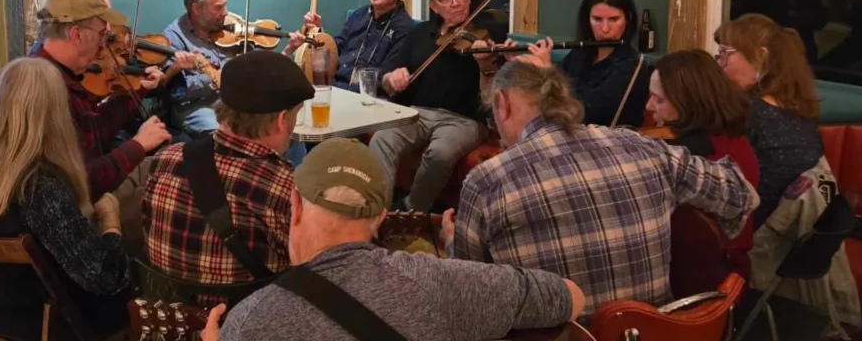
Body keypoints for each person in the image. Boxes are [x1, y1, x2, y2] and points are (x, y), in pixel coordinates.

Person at [446, 58, 758, 317]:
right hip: (649, 334)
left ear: (503, 103)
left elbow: (468, 297)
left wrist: (451, 242)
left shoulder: (486, 180)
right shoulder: (644, 147)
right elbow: (740, 194)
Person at [203, 138, 585, 341]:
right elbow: (570, 295)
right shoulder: (438, 283)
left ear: (296, 205)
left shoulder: (250, 322)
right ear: (380, 217)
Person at [0, 58, 130, 340]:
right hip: (43, 322)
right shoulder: (38, 188)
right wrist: (112, 224)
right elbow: (103, 277)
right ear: (55, 112)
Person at [144, 50, 314, 285]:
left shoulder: (165, 160)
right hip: (244, 318)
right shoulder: (285, 187)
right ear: (281, 119)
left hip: (170, 315)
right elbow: (313, 265)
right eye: (295, 117)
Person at [30, 0, 190, 197]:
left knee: (175, 167)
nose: (103, 45)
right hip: (84, 206)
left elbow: (94, 132)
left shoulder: (66, 77)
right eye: (101, 35)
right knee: (173, 192)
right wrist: (138, 145)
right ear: (77, 35)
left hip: (91, 193)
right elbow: (83, 181)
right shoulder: (45, 88)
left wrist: (137, 89)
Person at [369, 0, 506, 213]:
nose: (456, 3)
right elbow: (385, 76)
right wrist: (393, 77)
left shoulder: (487, 35)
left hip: (463, 121)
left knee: (440, 153)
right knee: (382, 139)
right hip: (418, 113)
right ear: (434, 6)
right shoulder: (420, 33)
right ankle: (379, 213)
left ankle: (410, 213)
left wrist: (485, 65)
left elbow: (493, 98)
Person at [646, 49, 760, 277]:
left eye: (659, 99)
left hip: (705, 278)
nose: (649, 106)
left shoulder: (695, 157)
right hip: (725, 266)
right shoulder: (732, 137)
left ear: (689, 102)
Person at [714, 13, 825, 228]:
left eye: (724, 54)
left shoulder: (750, 112)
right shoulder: (799, 107)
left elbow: (723, 190)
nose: (719, 63)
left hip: (758, 234)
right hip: (796, 234)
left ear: (760, 56)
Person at [164, 0, 305, 139]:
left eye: (225, 5)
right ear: (196, 9)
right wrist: (215, 79)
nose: (225, 12)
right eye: (218, 7)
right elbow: (176, 92)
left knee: (282, 125)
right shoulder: (174, 37)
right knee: (230, 136)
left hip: (237, 101)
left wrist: (288, 50)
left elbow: (258, 68)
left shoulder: (229, 24)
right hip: (199, 106)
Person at [528, 0, 651, 128]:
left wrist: (546, 70)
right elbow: (543, 100)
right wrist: (517, 64)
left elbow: (585, 113)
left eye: (614, 19)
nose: (605, 29)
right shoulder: (579, 55)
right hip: (569, 137)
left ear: (628, 19)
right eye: (597, 19)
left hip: (610, 145)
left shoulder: (632, 64)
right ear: (588, 19)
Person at [301, 0, 413, 92]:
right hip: (336, 87)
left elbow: (387, 74)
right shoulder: (358, 15)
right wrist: (318, 31)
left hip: (369, 95)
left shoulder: (404, 28)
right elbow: (336, 49)